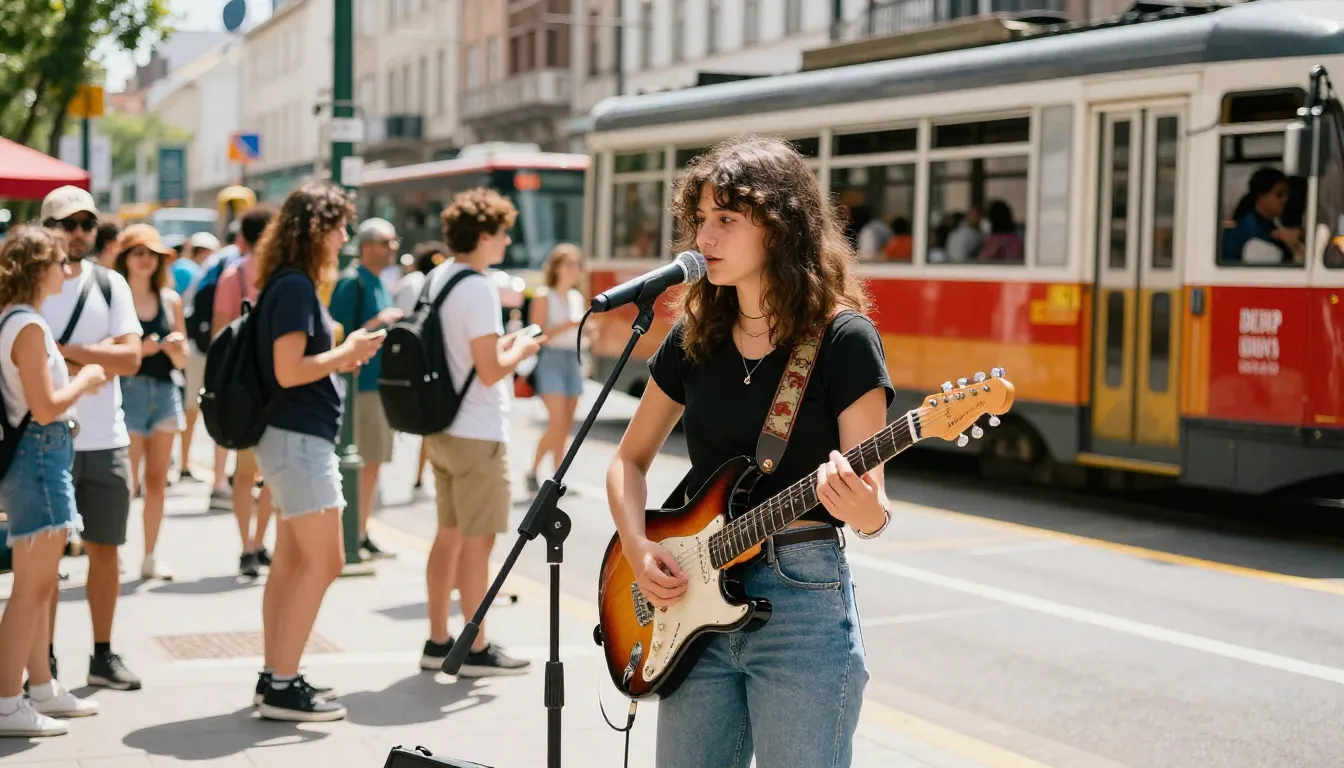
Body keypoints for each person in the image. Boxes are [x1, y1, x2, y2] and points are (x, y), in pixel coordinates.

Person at [606, 136, 894, 767]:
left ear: (781, 227)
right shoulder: (695, 335)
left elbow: (873, 510)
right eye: (701, 220)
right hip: (690, 603)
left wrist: (861, 508)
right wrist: (638, 547)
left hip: (802, 603)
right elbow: (628, 460)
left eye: (727, 220)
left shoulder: (843, 339)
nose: (705, 237)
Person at [251, 181, 384, 721]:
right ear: (317, 232)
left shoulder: (287, 284)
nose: (345, 238)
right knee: (326, 560)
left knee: (290, 561)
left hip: (291, 438)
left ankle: (276, 674)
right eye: (339, 227)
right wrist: (346, 351)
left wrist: (337, 355)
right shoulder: (295, 289)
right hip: (298, 441)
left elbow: (294, 367)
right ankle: (283, 684)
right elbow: (289, 371)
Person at [418, 188, 542, 675]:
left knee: (447, 534)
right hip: (477, 429)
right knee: (479, 541)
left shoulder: (436, 279)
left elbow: (465, 354)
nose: (508, 242)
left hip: (441, 427)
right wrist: (523, 350)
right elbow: (490, 371)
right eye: (504, 232)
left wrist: (504, 345)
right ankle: (475, 646)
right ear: (484, 234)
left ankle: (436, 639)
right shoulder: (479, 287)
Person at [0, 227, 106, 737]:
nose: (67, 269)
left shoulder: (17, 322)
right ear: (37, 268)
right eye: (60, 261)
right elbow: (44, 407)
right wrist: (85, 379)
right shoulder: (27, 327)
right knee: (32, 587)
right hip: (39, 459)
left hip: (36, 460)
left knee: (40, 585)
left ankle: (39, 688)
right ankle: (7, 700)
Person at [39, 186, 145, 692]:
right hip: (45, 438)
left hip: (106, 439)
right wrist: (94, 354)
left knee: (107, 551)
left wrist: (62, 350)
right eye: (67, 223)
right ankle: (45, 659)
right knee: (47, 557)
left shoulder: (110, 283)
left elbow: (131, 359)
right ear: (48, 228)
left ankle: (102, 655)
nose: (78, 233)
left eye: (87, 224)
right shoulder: (29, 284)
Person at [113, 224, 189, 581]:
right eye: (138, 253)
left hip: (164, 391)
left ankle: (149, 555)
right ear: (125, 258)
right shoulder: (114, 296)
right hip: (126, 391)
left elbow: (183, 360)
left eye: (152, 254)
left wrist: (175, 348)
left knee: (158, 481)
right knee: (126, 481)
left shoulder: (170, 299)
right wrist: (137, 352)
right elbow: (109, 351)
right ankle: (114, 553)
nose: (145, 260)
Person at [328, 217, 403, 561]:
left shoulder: (378, 282)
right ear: (368, 246)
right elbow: (339, 333)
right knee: (363, 462)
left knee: (373, 463)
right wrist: (380, 321)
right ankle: (352, 536)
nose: (394, 248)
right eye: (388, 242)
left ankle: (361, 531)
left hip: (378, 385)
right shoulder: (352, 283)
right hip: (360, 387)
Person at [213, 207, 278, 577]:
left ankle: (248, 546)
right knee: (266, 472)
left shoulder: (233, 274)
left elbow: (221, 337)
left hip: (243, 388)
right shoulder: (280, 274)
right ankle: (257, 541)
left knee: (245, 471)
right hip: (274, 386)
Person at [525, 243, 588, 491]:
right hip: (550, 359)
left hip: (572, 359)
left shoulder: (575, 297)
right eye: (569, 264)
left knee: (566, 425)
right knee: (557, 422)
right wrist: (567, 325)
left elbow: (577, 330)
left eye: (577, 264)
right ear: (557, 267)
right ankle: (533, 470)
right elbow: (536, 334)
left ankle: (556, 478)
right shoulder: (544, 295)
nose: (575, 269)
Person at [391, 241, 450, 493]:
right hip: (428, 360)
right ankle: (425, 473)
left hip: (410, 359)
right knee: (432, 421)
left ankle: (421, 475)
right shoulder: (432, 283)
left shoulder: (412, 282)